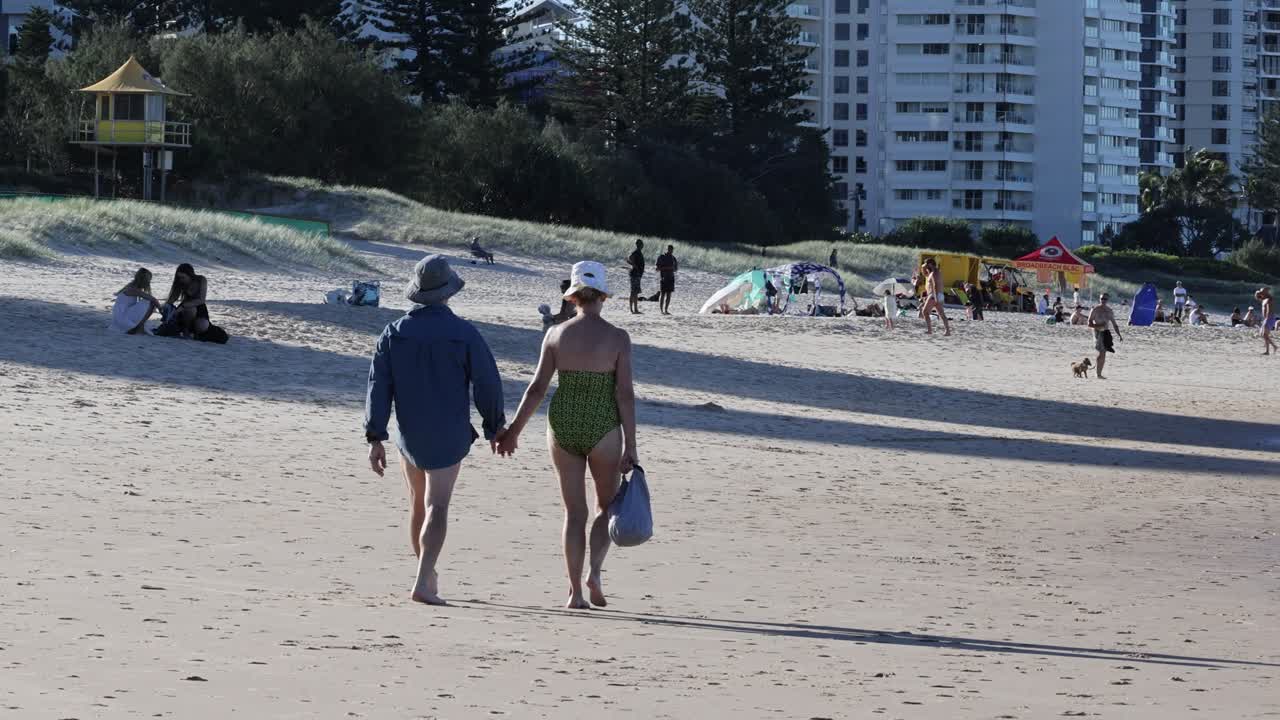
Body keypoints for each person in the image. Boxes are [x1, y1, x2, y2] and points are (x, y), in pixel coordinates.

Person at [365, 254, 506, 606]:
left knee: (418, 506)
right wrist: (494, 427)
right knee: (437, 507)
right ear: (448, 293)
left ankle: (426, 574)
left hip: (409, 433)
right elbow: (487, 383)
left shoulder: (393, 333)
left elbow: (378, 387)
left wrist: (375, 436)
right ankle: (423, 582)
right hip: (448, 432)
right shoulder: (464, 333)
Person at [496, 261, 638, 610]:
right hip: (603, 425)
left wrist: (513, 431)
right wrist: (631, 446)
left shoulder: (556, 334)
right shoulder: (618, 338)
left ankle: (574, 592)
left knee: (573, 513)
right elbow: (624, 394)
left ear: (572, 297)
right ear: (603, 295)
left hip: (563, 424)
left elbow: (536, 389)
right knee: (606, 506)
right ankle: (595, 573)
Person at [163, 263, 209, 338]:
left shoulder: (201, 279)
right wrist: (165, 307)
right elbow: (172, 298)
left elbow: (201, 300)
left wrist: (183, 306)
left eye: (183, 277)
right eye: (179, 277)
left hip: (199, 306)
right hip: (186, 309)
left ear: (190, 275)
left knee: (202, 326)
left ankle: (195, 333)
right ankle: (186, 330)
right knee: (190, 310)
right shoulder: (180, 282)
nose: (181, 280)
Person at [112, 268, 162, 335]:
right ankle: (139, 327)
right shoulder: (133, 289)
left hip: (120, 316)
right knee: (151, 302)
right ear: (144, 280)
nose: (149, 283)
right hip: (122, 319)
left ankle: (140, 326)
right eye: (149, 280)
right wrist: (161, 310)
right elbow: (153, 299)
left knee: (149, 301)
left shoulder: (131, 285)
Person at [1087, 292, 1123, 379]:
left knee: (1103, 353)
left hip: (1106, 332)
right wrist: (1099, 326)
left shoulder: (1109, 311)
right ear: (1099, 299)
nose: (1103, 300)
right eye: (1102, 298)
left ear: (1107, 300)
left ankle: (1098, 373)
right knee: (1101, 352)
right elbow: (1089, 323)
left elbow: (1114, 324)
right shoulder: (1095, 309)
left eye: (1105, 299)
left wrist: (1119, 335)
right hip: (1097, 332)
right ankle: (1098, 374)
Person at [921, 260, 951, 336]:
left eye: (927, 264)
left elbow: (935, 285)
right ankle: (947, 331)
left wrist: (935, 297)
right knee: (941, 314)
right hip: (938, 294)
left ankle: (929, 330)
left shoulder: (934, 273)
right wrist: (923, 266)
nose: (925, 265)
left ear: (930, 264)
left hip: (934, 295)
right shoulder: (933, 272)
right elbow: (924, 272)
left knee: (925, 312)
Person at [655, 245, 678, 316]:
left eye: (671, 249)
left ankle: (666, 310)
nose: (670, 250)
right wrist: (667, 268)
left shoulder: (673, 258)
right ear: (667, 249)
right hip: (664, 278)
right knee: (662, 294)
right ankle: (661, 310)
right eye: (669, 249)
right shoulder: (662, 257)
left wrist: (672, 268)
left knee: (669, 295)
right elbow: (657, 268)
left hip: (671, 278)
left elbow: (676, 269)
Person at [626, 239, 645, 315]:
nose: (642, 245)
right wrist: (634, 265)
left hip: (637, 274)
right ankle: (632, 309)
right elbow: (629, 258)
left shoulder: (639, 252)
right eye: (641, 244)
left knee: (635, 292)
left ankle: (635, 309)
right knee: (633, 292)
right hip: (635, 274)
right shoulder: (636, 252)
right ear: (639, 245)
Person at [1257, 287, 1277, 355]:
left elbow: (1268, 311)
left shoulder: (1269, 299)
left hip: (1269, 318)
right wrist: (1258, 293)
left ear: (1266, 293)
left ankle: (1273, 347)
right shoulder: (1264, 299)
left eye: (1262, 293)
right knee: (1263, 335)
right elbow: (1257, 297)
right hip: (1266, 318)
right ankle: (1269, 349)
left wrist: (1266, 319)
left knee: (1265, 335)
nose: (1261, 294)